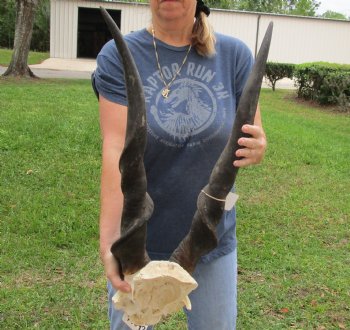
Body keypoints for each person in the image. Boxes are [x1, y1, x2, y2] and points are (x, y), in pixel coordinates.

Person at [93, 0, 267, 329]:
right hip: (135, 245)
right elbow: (116, 150)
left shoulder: (235, 56)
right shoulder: (118, 54)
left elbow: (250, 134)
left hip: (209, 239)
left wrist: (258, 147)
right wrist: (109, 244)